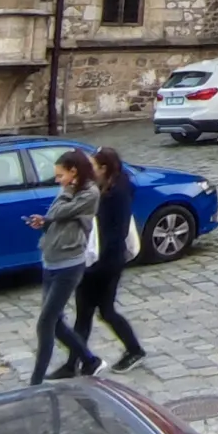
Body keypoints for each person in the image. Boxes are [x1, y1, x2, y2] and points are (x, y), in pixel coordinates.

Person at [28, 150, 101, 385]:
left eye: (61, 175)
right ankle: (89, 360)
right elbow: (54, 215)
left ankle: (36, 381)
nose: (58, 180)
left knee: (46, 322)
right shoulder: (68, 189)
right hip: (51, 260)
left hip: (69, 265)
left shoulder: (89, 193)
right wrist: (43, 221)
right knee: (56, 322)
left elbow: (60, 211)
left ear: (74, 171)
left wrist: (67, 192)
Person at [75, 147, 146, 371]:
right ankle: (75, 361)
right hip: (94, 261)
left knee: (106, 310)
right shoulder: (101, 187)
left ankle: (135, 350)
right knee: (84, 312)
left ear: (104, 168)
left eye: (93, 167)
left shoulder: (118, 194)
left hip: (108, 263)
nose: (90, 171)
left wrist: (98, 265)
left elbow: (117, 233)